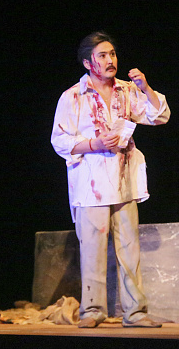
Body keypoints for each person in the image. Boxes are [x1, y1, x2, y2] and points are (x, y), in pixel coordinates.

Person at [51, 32, 170, 328]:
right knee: (92, 250)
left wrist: (146, 88)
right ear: (88, 62)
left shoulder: (127, 90)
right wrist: (95, 144)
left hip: (124, 181)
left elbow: (159, 116)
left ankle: (135, 312)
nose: (110, 60)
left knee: (130, 249)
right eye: (102, 55)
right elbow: (59, 141)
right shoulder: (73, 96)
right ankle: (92, 311)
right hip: (90, 185)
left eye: (113, 54)